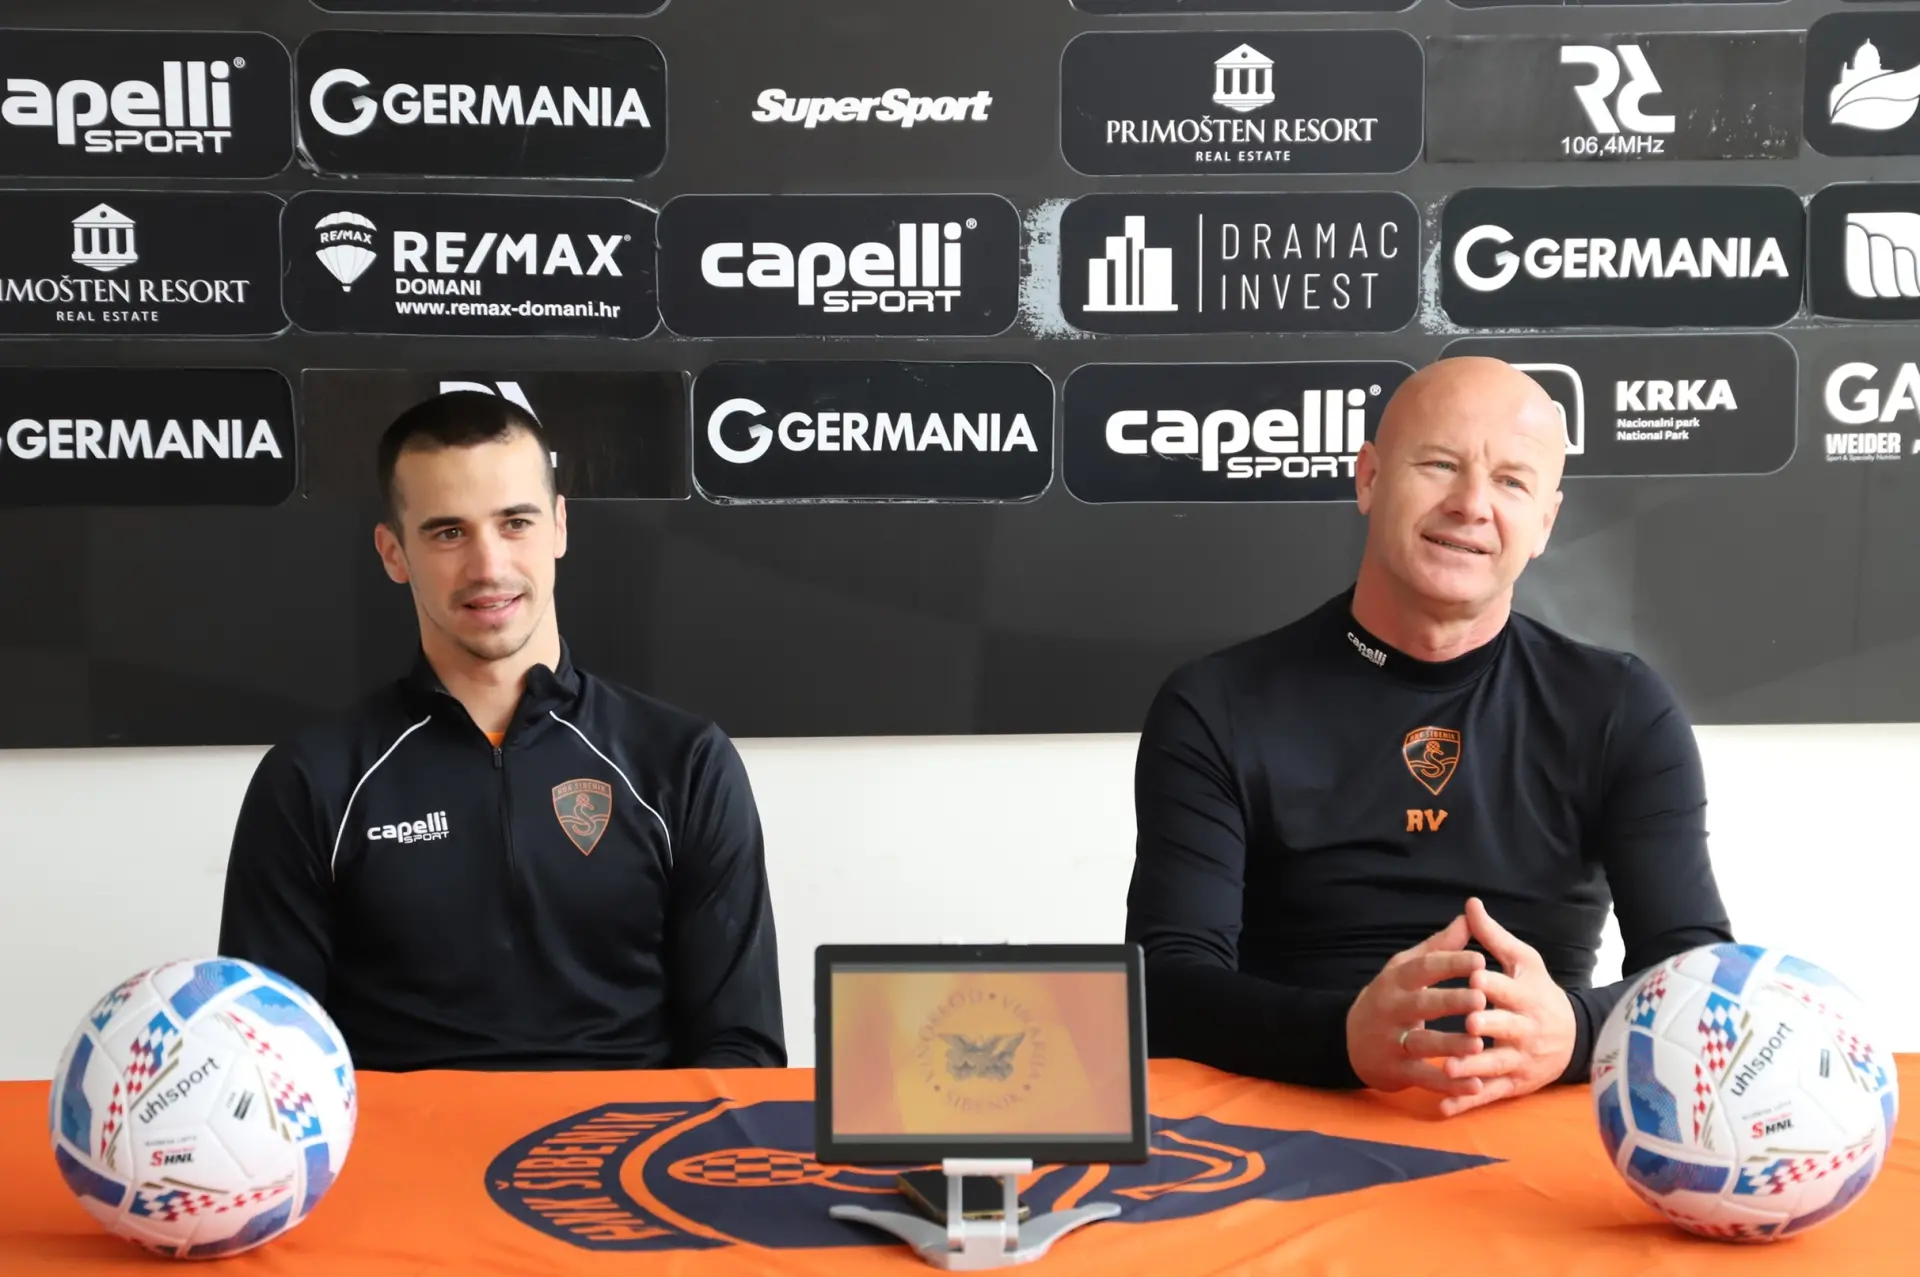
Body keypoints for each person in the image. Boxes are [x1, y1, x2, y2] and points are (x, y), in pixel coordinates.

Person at [1124, 356, 1732, 1116]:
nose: (1472, 504)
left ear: (1544, 524)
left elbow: (1703, 975)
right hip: (1282, 1112)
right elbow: (1164, 985)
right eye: (1440, 464)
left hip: (1535, 1114)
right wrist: (1344, 1038)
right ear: (1369, 479)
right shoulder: (1216, 703)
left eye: (1511, 481)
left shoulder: (1622, 707)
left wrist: (1575, 1033)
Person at [218, 390, 784, 1072]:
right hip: (399, 1143)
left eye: (515, 522)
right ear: (394, 553)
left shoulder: (684, 763)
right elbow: (266, 1065)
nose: (488, 567)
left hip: (629, 1140)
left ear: (559, 527)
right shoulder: (311, 781)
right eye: (448, 533)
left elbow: (742, 1050)